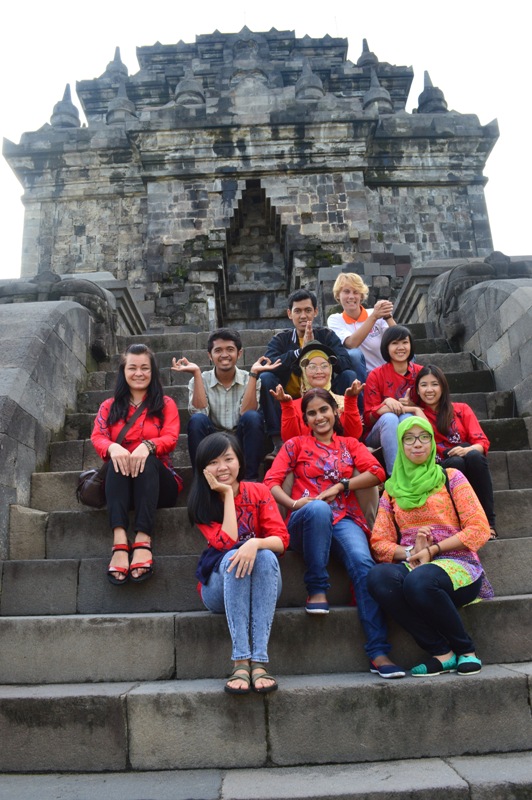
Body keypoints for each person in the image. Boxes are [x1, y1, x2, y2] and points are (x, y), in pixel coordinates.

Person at [264, 388, 405, 679]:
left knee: (364, 564)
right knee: (318, 510)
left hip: (344, 519)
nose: (319, 417)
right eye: (311, 413)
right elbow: (271, 482)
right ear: (305, 419)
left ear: (335, 412)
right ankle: (317, 586)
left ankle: (378, 651)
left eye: (323, 410)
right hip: (304, 519)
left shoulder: (350, 445)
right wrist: (293, 504)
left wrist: (342, 485)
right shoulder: (294, 445)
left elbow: (377, 472)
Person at [367, 417, 493, 677]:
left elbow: (479, 528)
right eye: (409, 438)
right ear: (400, 445)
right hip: (415, 565)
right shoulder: (391, 491)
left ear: (432, 442)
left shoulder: (451, 477)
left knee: (420, 579)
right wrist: (412, 552)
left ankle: (466, 650)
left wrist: (433, 550)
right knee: (379, 577)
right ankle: (442, 653)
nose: (417, 444)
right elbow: (379, 543)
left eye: (424, 437)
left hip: (459, 565)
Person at [187, 432, 289, 694]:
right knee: (234, 556)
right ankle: (241, 660)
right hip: (219, 589)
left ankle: (259, 662)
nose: (222, 467)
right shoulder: (201, 503)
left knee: (265, 554)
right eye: (213, 462)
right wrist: (227, 495)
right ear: (203, 469)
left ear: (240, 461)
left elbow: (281, 540)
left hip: (262, 582)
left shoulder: (259, 491)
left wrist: (254, 544)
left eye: (228, 459)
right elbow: (226, 543)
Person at [91, 343, 182, 585]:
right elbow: (98, 436)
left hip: (159, 486)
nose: (138, 373)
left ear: (153, 371)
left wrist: (148, 446)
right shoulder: (108, 406)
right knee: (116, 459)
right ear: (123, 371)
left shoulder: (166, 404)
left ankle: (143, 539)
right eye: (132, 368)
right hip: (122, 485)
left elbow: (171, 438)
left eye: (145, 368)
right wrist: (113, 447)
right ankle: (120, 541)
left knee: (146, 459)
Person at [260, 289, 357, 460]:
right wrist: (300, 352)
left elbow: (345, 362)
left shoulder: (326, 335)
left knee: (349, 375)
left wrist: (317, 349)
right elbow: (268, 364)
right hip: (291, 397)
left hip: (325, 394)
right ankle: (278, 442)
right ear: (289, 314)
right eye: (297, 311)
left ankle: (351, 435)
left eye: (308, 310)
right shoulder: (281, 339)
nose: (303, 316)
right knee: (266, 378)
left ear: (316, 312)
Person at [171, 328, 280, 480]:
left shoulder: (249, 378)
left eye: (230, 349)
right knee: (197, 420)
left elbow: (247, 413)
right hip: (212, 441)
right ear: (210, 355)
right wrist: (196, 373)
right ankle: (201, 482)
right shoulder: (201, 379)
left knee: (253, 417)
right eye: (218, 350)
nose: (224, 355)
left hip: (240, 440)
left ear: (239, 353)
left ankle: (250, 480)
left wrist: (254, 373)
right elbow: (199, 413)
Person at [415, 364, 497, 539]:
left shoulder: (461, 409)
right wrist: (413, 409)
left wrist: (466, 450)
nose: (429, 390)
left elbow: (482, 443)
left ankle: (488, 523)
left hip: (467, 458)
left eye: (434, 384)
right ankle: (463, 523)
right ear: (417, 390)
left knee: (475, 457)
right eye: (424, 385)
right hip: (439, 465)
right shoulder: (417, 415)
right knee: (455, 464)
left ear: (443, 387)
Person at [269, 341, 364, 441]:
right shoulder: (293, 406)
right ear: (303, 371)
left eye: (324, 366)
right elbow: (290, 442)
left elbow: (354, 436)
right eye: (312, 367)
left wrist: (351, 401)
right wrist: (286, 406)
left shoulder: (344, 402)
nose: (319, 371)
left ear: (330, 369)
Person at [363, 325, 422, 475]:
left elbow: (431, 410)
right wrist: (386, 403)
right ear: (386, 347)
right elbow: (368, 419)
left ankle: (414, 473)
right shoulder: (376, 375)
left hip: (412, 426)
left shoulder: (421, 373)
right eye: (394, 343)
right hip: (378, 432)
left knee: (406, 418)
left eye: (405, 342)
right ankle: (395, 475)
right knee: (390, 418)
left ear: (411, 345)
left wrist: (411, 406)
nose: (400, 347)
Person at [327, 272, 396, 384]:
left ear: (361, 296)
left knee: (407, 349)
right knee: (354, 354)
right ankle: (362, 390)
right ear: (338, 295)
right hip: (363, 377)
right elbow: (351, 344)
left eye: (356, 292)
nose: (351, 296)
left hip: (386, 371)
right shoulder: (335, 319)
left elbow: (399, 339)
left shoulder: (374, 313)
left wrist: (388, 316)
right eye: (346, 291)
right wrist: (374, 317)